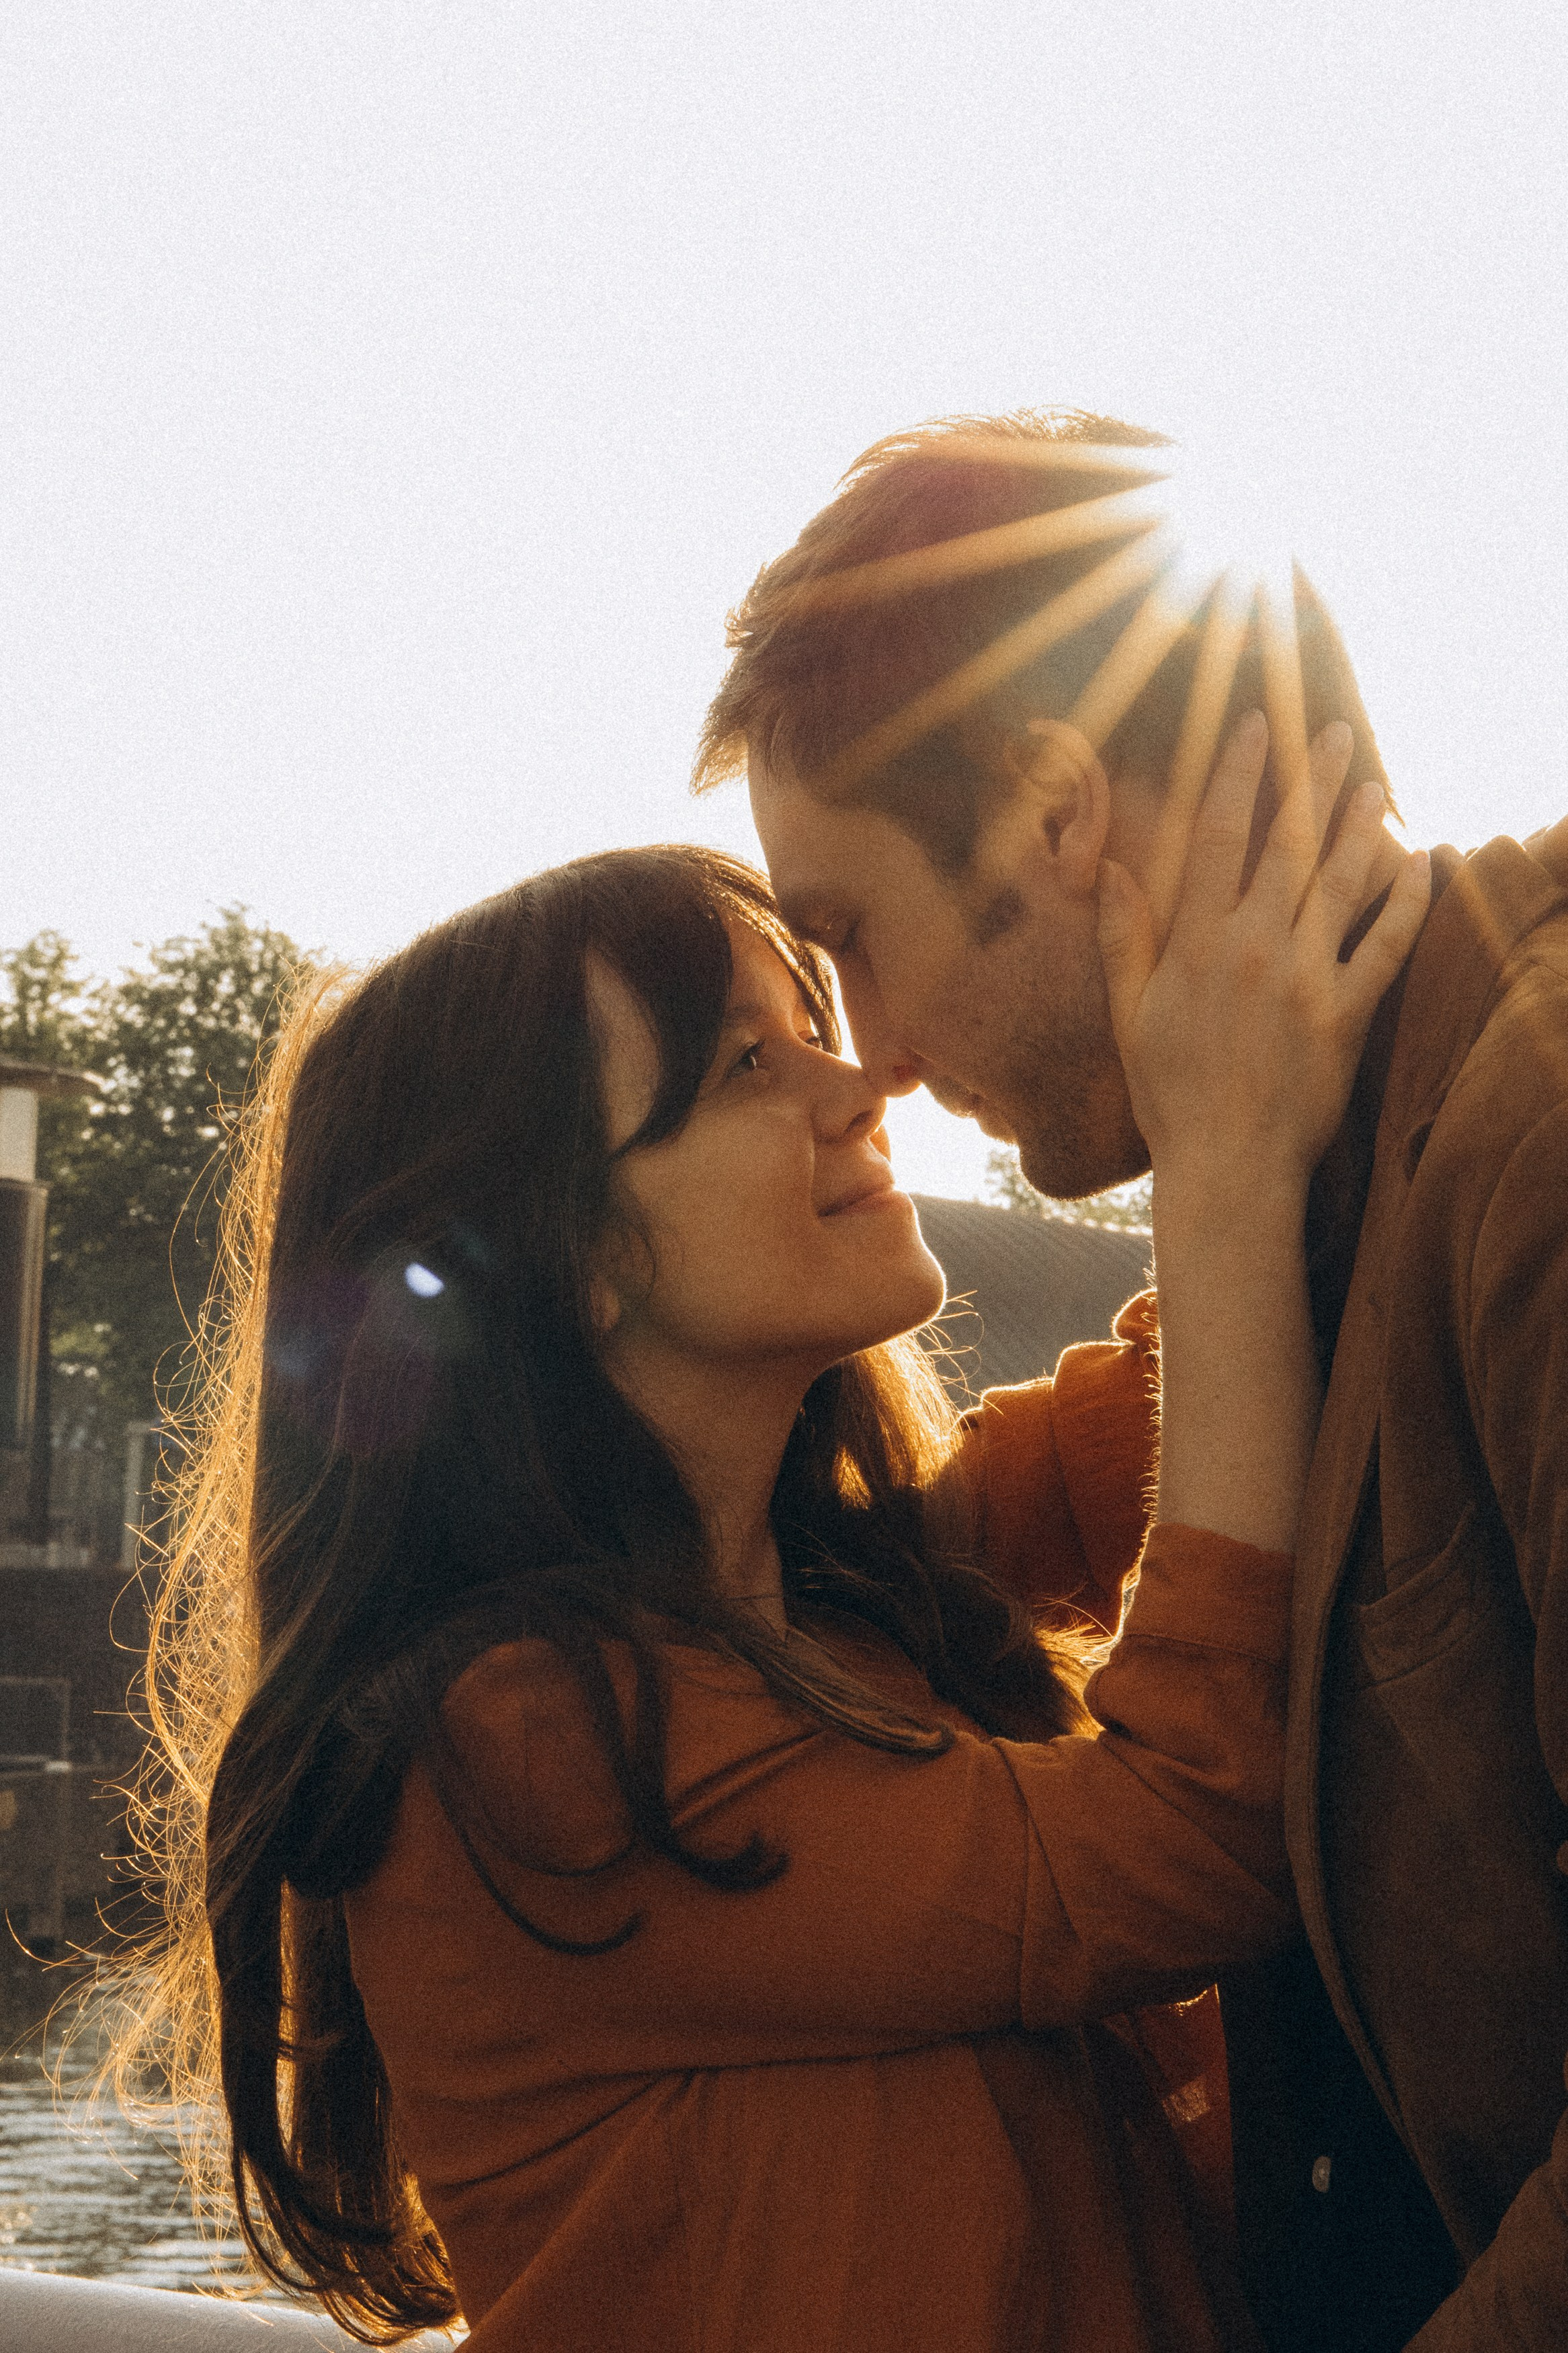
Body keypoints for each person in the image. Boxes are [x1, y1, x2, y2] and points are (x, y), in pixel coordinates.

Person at [117, 781, 1420, 2351]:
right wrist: (1222, 1169)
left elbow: (1186, 1411)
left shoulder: (835, 1606)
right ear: (572, 1256)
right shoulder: (525, 1750)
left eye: (818, 1017)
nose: (864, 1079)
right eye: (751, 1060)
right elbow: (1193, 1836)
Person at [696, 406, 1568, 2351]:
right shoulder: (1317, 1197)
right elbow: (1051, 1482)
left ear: (1050, 810)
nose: (878, 1058)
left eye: (845, 935)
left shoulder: (1529, 1139)